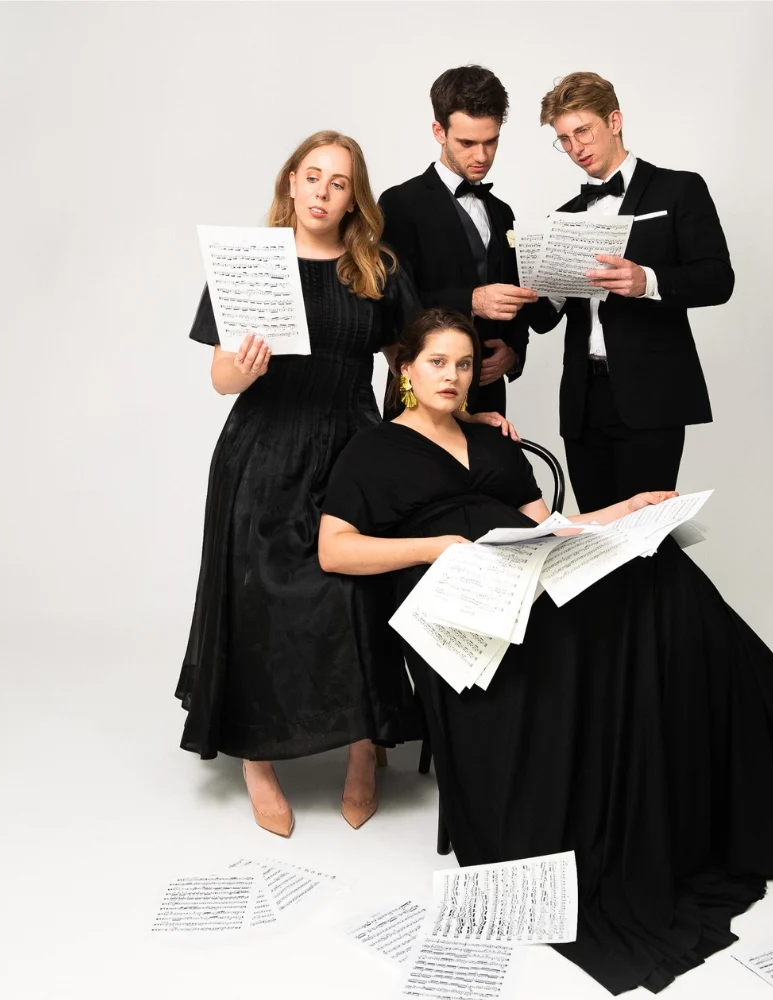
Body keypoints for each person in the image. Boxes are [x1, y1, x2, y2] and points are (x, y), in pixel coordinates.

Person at [317, 308, 773, 996]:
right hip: (455, 605)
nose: (453, 377)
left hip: (525, 574)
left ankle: (712, 759)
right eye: (437, 362)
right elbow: (335, 547)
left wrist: (624, 512)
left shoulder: (492, 442)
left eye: (464, 364)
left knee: (660, 569)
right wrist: (437, 547)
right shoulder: (372, 450)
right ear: (406, 369)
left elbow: (548, 528)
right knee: (608, 614)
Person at [176, 131, 508, 836]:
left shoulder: (377, 267)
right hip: (263, 447)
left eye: (339, 182)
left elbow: (411, 357)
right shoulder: (250, 263)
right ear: (290, 183)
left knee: (357, 594)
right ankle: (257, 760)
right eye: (313, 177)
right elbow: (219, 379)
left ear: (353, 196)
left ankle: (365, 749)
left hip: (354, 445)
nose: (324, 192)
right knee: (260, 599)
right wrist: (248, 365)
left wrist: (468, 415)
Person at [529, 71, 734, 511]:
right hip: (584, 402)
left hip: (652, 396)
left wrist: (649, 281)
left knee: (644, 541)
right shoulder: (564, 216)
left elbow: (719, 278)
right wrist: (552, 287)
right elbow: (543, 321)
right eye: (563, 139)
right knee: (594, 539)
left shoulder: (679, 189)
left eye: (582, 131)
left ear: (615, 121)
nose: (575, 148)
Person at [378, 65, 537, 416]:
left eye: (491, 141)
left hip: (488, 392)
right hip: (419, 394)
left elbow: (517, 294)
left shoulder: (502, 212)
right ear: (439, 131)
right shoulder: (399, 204)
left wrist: (512, 353)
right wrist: (471, 300)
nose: (481, 157)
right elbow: (389, 305)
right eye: (467, 143)